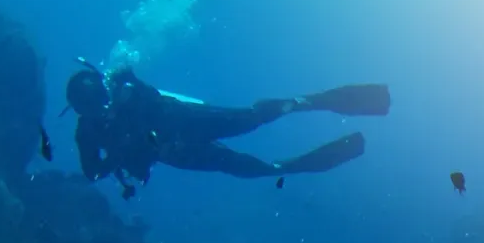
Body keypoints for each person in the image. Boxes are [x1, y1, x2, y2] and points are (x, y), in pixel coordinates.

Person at [65, 65, 390, 196]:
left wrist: (133, 84)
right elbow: (92, 172)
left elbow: (154, 100)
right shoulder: (88, 134)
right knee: (239, 164)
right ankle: (285, 165)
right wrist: (119, 155)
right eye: (91, 105)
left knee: (250, 119)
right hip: (175, 149)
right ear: (82, 111)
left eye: (100, 98)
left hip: (185, 121)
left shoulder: (125, 90)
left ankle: (309, 103)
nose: (101, 108)